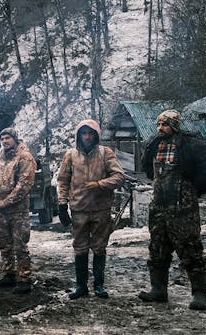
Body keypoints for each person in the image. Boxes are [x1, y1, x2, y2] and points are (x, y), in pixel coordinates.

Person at [137, 110, 206, 310]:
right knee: (157, 247)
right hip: (159, 206)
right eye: (159, 124)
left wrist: (194, 189)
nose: (160, 128)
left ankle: (200, 295)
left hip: (183, 208)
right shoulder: (154, 143)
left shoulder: (191, 144)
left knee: (190, 248)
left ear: (174, 125)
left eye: (164, 124)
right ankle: (158, 290)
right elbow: (148, 170)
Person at [57, 119, 125, 299]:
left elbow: (119, 176)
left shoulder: (105, 153)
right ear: (79, 135)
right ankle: (81, 286)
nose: (87, 136)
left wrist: (100, 184)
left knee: (99, 248)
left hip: (101, 209)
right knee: (80, 248)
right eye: (84, 133)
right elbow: (62, 181)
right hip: (78, 209)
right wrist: (62, 205)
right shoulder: (70, 155)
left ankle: (99, 285)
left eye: (90, 133)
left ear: (96, 135)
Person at [0, 127, 37, 294]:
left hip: (18, 211)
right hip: (1, 210)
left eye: (8, 138)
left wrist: (5, 202)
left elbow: (24, 185)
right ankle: (9, 274)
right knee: (4, 243)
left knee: (20, 244)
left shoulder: (25, 157)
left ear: (15, 139)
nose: (5, 141)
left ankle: (25, 279)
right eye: (2, 138)